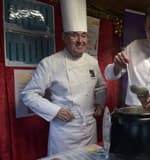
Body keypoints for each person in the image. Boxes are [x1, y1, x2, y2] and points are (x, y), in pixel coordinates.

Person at [21, 0, 107, 155]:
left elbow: (101, 86)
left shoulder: (92, 62)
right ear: (64, 37)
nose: (80, 41)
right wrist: (55, 110)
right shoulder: (50, 63)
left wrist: (100, 104)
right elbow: (28, 95)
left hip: (89, 129)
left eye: (83, 35)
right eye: (74, 35)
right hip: (64, 133)